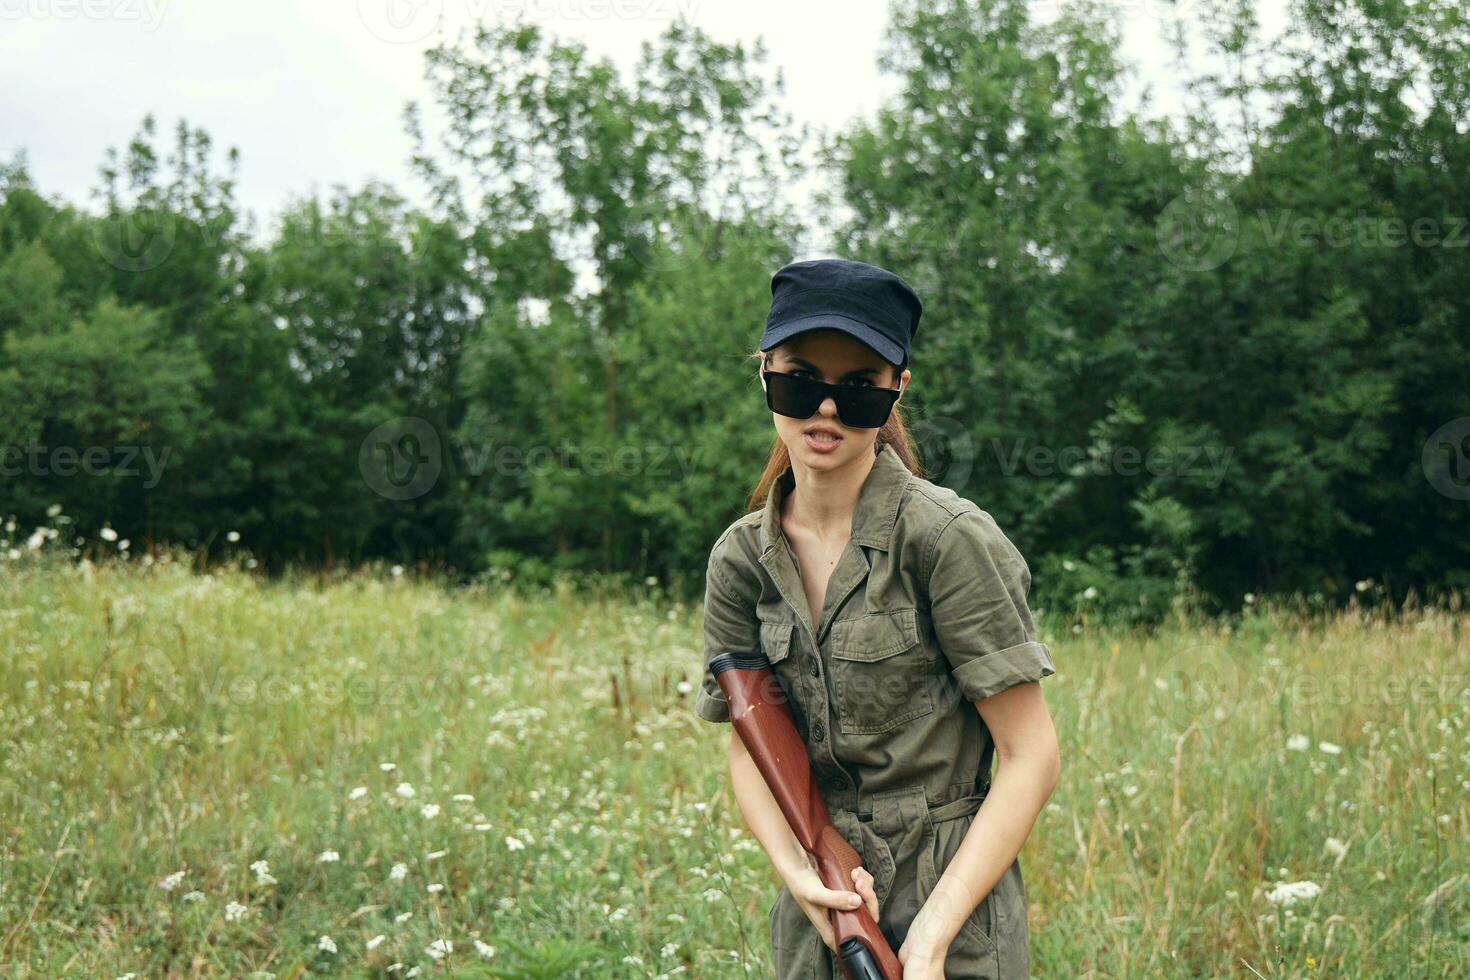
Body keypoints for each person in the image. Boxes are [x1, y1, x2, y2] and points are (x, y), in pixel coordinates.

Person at [694, 258, 1061, 979]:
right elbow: (750, 748)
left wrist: (929, 940)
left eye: (859, 390)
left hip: (955, 917)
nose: (825, 411)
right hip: (819, 921)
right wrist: (803, 877)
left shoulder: (947, 540)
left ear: (898, 390)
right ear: (764, 372)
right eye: (799, 381)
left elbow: (1031, 756)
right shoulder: (740, 561)